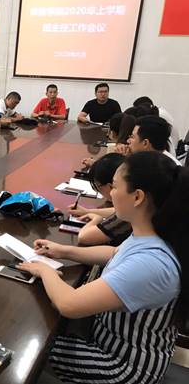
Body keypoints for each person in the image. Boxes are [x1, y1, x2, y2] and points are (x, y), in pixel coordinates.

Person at [18, 151, 187, 384]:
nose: (110, 194)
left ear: (137, 197)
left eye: (114, 187)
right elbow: (114, 254)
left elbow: (68, 304)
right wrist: (63, 251)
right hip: (109, 340)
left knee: (31, 349)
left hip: (124, 367)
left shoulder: (153, 262)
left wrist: (44, 270)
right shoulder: (152, 234)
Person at [73, 153, 132, 246]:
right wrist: (87, 211)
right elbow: (114, 211)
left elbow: (84, 237)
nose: (112, 191)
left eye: (114, 186)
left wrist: (96, 219)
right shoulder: (133, 203)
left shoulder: (130, 212)